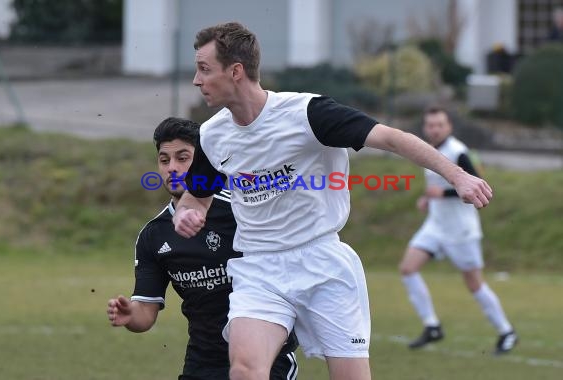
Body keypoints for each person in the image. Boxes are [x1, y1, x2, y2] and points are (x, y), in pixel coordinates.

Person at [172, 22, 492, 380]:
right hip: (259, 267)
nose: (197, 81)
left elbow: (392, 138)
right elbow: (194, 198)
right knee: (246, 371)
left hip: (321, 263)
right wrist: (186, 213)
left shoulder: (307, 114)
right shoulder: (212, 135)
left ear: (235, 71)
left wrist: (458, 175)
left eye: (204, 69)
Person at [106, 117, 299, 380]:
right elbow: (145, 313)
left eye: (183, 158)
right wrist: (130, 315)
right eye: (164, 160)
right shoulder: (154, 236)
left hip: (265, 356)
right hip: (203, 363)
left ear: (204, 161)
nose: (172, 167)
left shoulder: (243, 212)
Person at [399, 106, 518, 355]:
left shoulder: (460, 152)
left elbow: (480, 185)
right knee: (408, 269)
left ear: (449, 127)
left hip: (461, 231)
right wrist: (428, 199)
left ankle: (506, 331)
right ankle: (432, 326)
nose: (434, 129)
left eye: (439, 125)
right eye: (430, 125)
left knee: (474, 284)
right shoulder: (429, 151)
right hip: (435, 226)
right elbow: (436, 186)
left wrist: (442, 193)